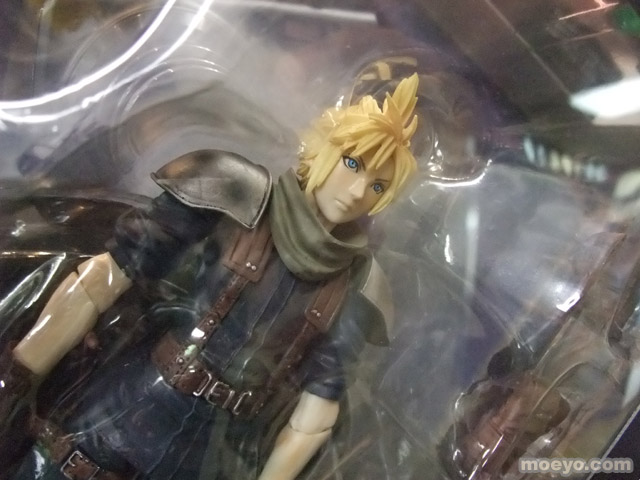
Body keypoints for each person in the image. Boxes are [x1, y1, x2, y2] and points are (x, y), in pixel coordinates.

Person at [0, 74, 419, 480]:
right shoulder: (237, 190)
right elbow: (106, 277)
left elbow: (314, 417)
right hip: (136, 401)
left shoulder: (357, 286)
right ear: (324, 150)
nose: (357, 191)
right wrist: (17, 375)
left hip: (216, 447)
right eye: (352, 163)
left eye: (378, 186)